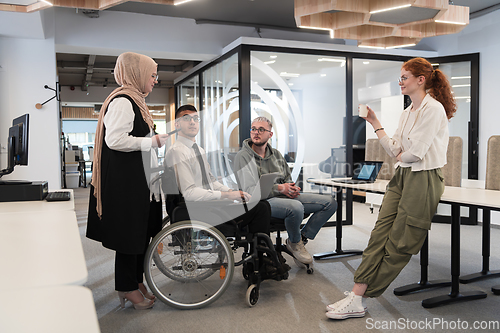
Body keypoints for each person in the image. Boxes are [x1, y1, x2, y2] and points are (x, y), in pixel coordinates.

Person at [325, 57, 456, 320]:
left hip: (424, 179)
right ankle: (356, 294)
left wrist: (401, 153)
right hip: (402, 177)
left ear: (421, 79)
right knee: (378, 235)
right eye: (400, 77)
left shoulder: (433, 109)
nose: (400, 82)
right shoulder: (407, 112)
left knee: (400, 243)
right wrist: (375, 122)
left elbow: (415, 154)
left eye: (404, 77)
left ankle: (360, 295)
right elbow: (395, 150)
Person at [86, 52, 171, 310]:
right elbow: (115, 140)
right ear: (137, 74)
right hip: (127, 184)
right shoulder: (123, 101)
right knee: (129, 236)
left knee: (140, 233)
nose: (156, 80)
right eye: (152, 75)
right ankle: (126, 287)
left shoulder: (137, 101)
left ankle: (135, 281)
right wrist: (152, 141)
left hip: (138, 181)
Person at [165, 105, 288, 274]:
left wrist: (231, 193)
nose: (192, 122)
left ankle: (260, 255)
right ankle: (260, 261)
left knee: (256, 203)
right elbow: (190, 192)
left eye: (195, 118)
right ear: (177, 124)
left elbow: (211, 181)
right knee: (260, 208)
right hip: (198, 208)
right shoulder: (178, 151)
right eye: (187, 118)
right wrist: (226, 195)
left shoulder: (197, 149)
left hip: (208, 202)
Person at [234, 116, 337, 265]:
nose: (256, 133)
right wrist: (280, 189)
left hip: (282, 196)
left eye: (261, 129)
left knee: (330, 203)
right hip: (261, 202)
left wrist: (291, 188)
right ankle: (296, 243)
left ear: (270, 134)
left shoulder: (275, 154)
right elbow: (250, 190)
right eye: (254, 129)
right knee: (296, 207)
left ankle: (300, 238)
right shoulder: (242, 157)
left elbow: (287, 178)